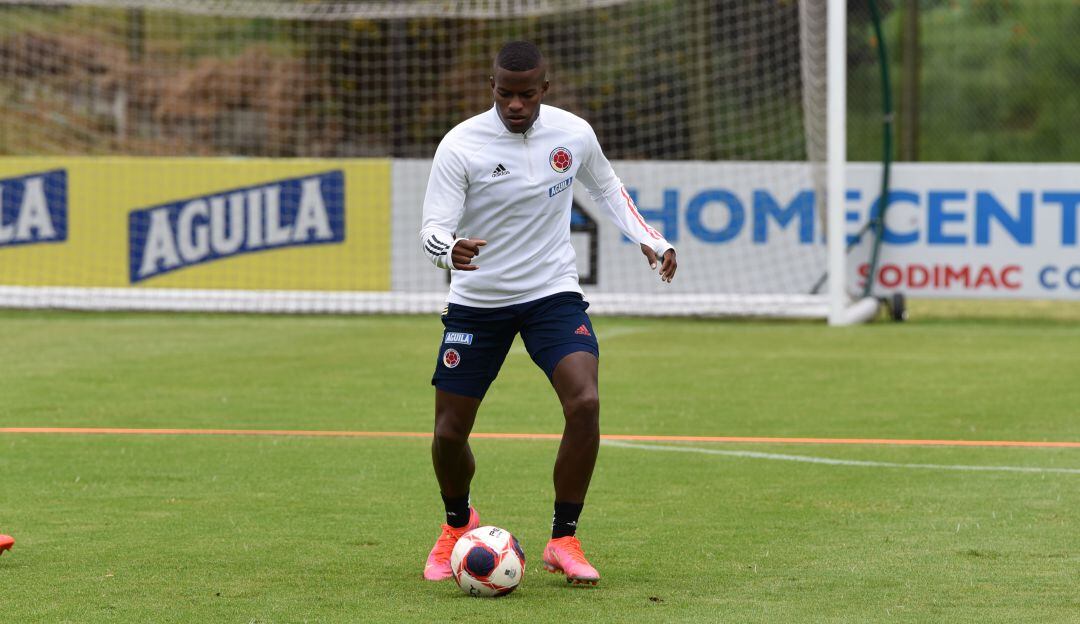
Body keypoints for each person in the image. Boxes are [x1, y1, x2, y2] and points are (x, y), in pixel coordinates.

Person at [419, 41, 677, 586]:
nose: (514, 104)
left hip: (551, 294)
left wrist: (650, 239)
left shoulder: (573, 134)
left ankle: (563, 539)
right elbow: (433, 227)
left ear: (545, 89)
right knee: (448, 433)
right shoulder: (460, 144)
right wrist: (449, 249)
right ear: (492, 87)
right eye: (504, 93)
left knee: (585, 401)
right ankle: (456, 524)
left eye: (526, 94)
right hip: (479, 300)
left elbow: (609, 189)